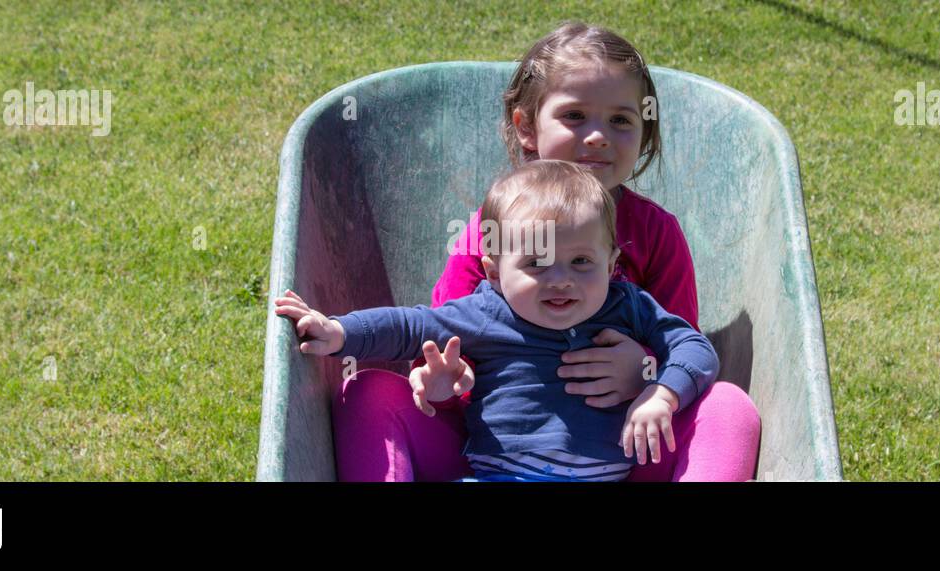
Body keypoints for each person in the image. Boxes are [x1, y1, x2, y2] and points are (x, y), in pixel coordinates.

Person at [331, 21, 761, 481]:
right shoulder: (489, 232)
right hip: (491, 453)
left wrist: (644, 374)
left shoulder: (655, 232)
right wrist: (444, 382)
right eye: (574, 116)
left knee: (728, 406)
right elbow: (443, 340)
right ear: (526, 127)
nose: (598, 136)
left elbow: (684, 345)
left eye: (620, 119)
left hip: (625, 455)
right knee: (367, 392)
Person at [277, 161, 718, 481]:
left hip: (608, 475)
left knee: (728, 406)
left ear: (612, 263)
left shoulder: (628, 306)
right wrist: (340, 331)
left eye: (582, 261)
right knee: (362, 388)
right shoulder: (487, 311)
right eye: (536, 264)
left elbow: (694, 346)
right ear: (493, 272)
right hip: (500, 476)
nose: (561, 280)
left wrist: (660, 393)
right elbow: (409, 327)